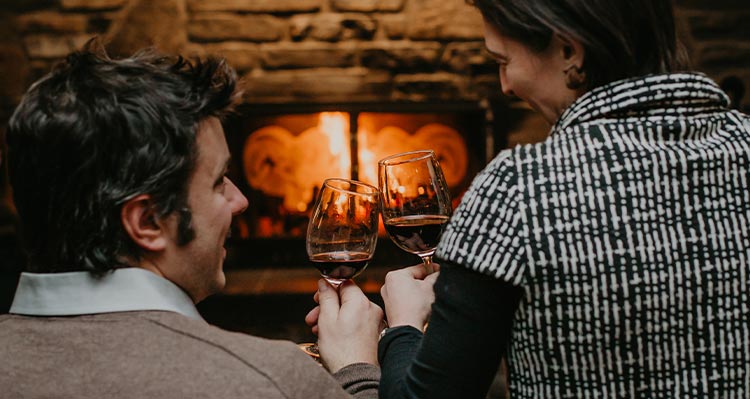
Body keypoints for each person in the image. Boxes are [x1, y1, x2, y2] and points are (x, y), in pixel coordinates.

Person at [308, 0, 750, 397]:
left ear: (569, 51)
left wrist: (383, 340)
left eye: (504, 61)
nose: (505, 86)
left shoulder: (520, 187)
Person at [0, 42, 382, 398]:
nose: (241, 200)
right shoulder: (268, 380)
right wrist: (357, 369)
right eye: (218, 182)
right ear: (148, 222)